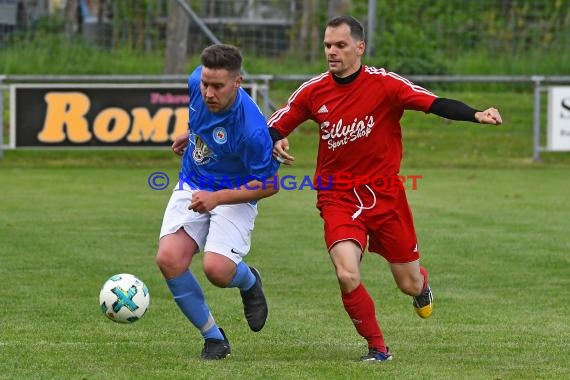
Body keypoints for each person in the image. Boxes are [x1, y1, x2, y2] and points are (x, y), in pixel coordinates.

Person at [268, 16, 502, 362]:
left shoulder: (386, 85)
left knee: (407, 283)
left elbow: (432, 102)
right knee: (347, 272)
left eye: (340, 45)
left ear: (360, 48)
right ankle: (377, 348)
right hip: (338, 196)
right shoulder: (313, 91)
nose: (332, 52)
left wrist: (476, 114)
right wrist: (277, 137)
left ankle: (421, 285)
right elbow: (272, 127)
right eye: (327, 46)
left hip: (386, 197)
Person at [156, 44, 280, 360]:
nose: (209, 92)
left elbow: (269, 185)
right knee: (169, 259)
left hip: (235, 192)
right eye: (206, 85)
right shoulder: (198, 80)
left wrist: (218, 198)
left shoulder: (252, 130)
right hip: (194, 181)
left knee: (217, 270)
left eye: (218, 87)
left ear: (237, 83)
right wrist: (192, 132)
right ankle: (214, 339)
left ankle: (250, 282)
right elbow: (201, 116)